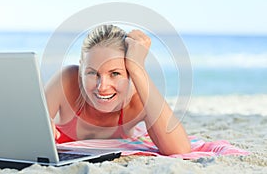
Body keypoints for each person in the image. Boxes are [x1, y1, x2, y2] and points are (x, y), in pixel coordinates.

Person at [45, 24, 191, 155]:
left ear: (129, 72)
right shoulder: (67, 81)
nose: (102, 87)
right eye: (92, 73)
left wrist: (137, 69)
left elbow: (179, 150)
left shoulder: (139, 98)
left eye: (115, 73)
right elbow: (29, 127)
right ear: (81, 67)